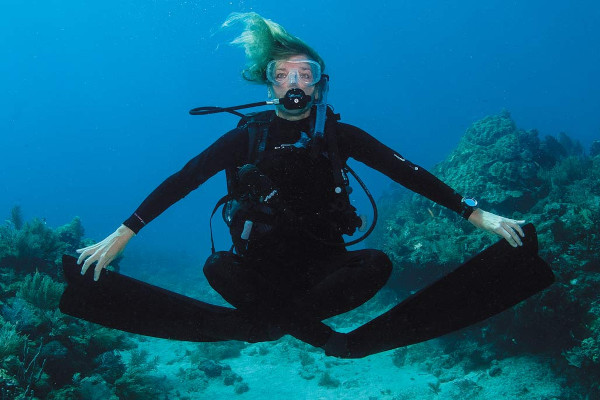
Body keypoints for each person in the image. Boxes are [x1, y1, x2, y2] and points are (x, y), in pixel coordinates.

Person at [76, 12, 526, 353]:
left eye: (305, 74)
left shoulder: (338, 135)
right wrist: (124, 232)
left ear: (319, 85)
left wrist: (475, 212)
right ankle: (322, 337)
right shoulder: (244, 138)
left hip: (323, 272)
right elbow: (184, 179)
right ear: (268, 85)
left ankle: (265, 325)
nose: (295, 83)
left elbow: (404, 171)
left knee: (377, 264)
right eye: (282, 74)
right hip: (257, 271)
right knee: (216, 266)